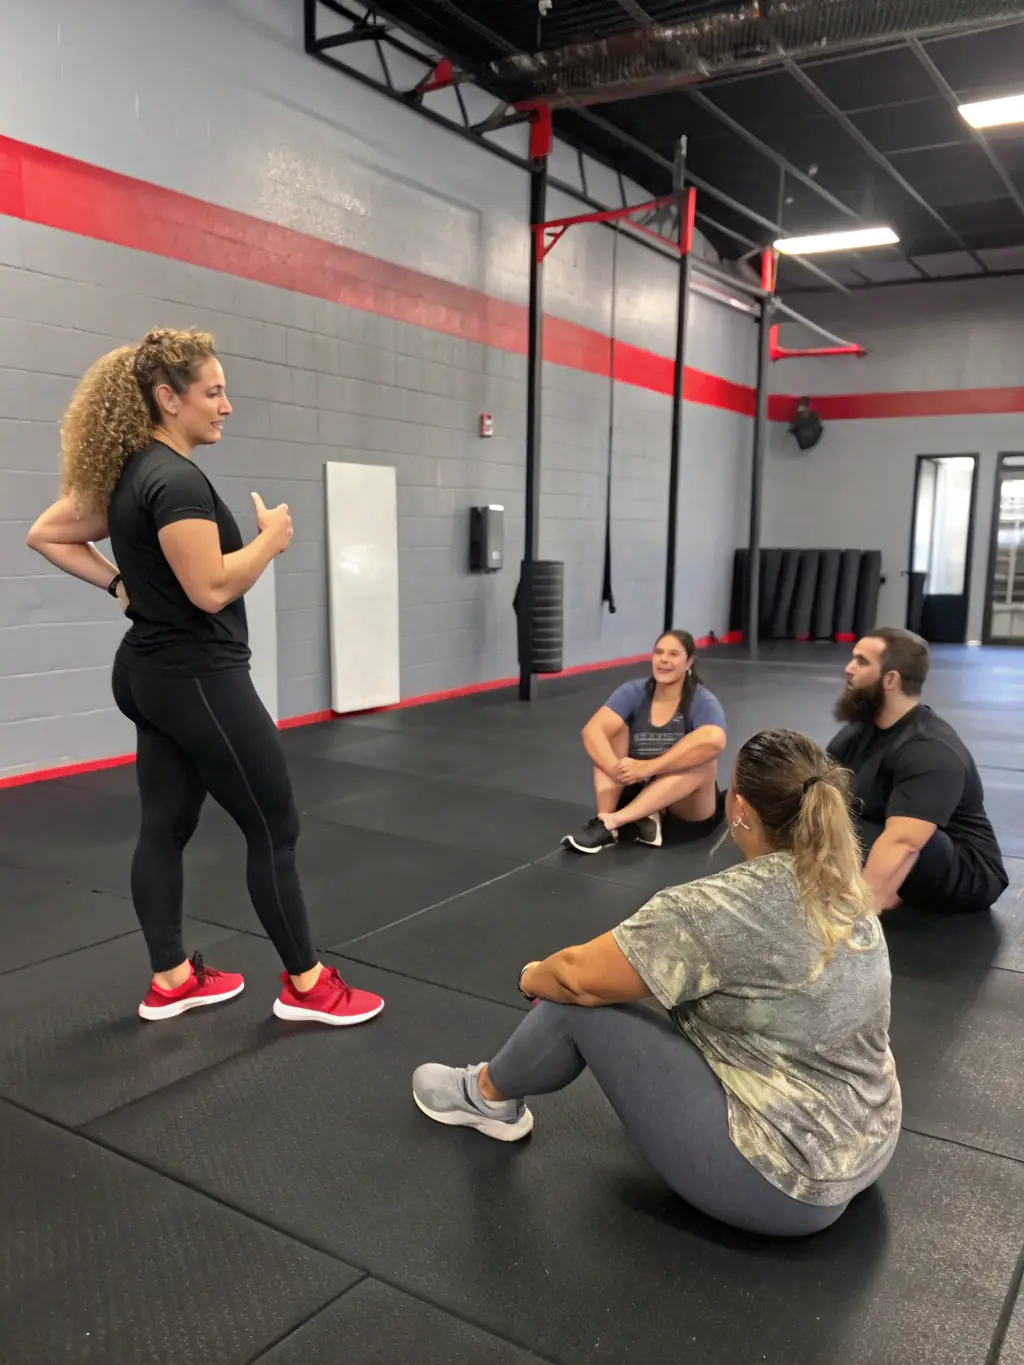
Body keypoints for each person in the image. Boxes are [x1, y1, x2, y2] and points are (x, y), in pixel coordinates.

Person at [27, 329, 384, 1027]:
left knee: (165, 825)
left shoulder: (133, 473)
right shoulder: (176, 480)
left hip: (149, 674)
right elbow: (212, 589)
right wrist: (269, 542)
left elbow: (46, 531)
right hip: (197, 678)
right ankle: (309, 986)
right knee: (274, 827)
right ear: (168, 398)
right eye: (213, 391)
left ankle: (173, 978)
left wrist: (119, 584)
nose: (227, 405)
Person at [413, 729, 901, 1237]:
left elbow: (576, 980)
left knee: (575, 1003)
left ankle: (487, 1097)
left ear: (740, 808)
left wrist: (529, 976)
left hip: (787, 1188)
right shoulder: (845, 887)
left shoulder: (714, 909)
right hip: (870, 1143)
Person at [828, 627, 1007, 915]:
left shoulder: (929, 749)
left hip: (964, 871)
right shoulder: (857, 733)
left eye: (861, 661)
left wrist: (855, 918)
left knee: (876, 837)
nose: (848, 668)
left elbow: (905, 843)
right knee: (818, 818)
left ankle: (880, 894)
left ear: (890, 679)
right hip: (890, 833)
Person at [563, 630, 727, 854]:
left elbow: (715, 740)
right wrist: (615, 769)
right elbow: (592, 731)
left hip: (683, 810)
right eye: (659, 652)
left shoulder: (701, 700)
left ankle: (615, 820)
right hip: (639, 790)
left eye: (673, 654)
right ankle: (606, 826)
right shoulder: (634, 692)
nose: (664, 660)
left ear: (689, 662)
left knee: (705, 762)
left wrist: (649, 768)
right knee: (610, 733)